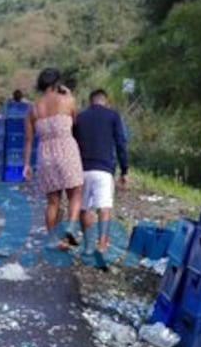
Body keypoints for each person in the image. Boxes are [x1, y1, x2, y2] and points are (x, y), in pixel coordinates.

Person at [23, 68, 83, 249]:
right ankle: (70, 230)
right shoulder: (68, 101)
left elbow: (28, 140)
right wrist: (69, 95)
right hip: (66, 149)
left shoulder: (33, 109)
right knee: (75, 193)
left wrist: (26, 164)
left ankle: (53, 240)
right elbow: (76, 122)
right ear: (57, 83)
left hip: (46, 154)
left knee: (53, 201)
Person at [73, 89, 128, 255]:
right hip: (104, 170)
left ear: (91, 101)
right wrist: (124, 170)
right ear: (106, 100)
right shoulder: (113, 116)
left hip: (82, 169)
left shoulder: (80, 117)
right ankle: (102, 245)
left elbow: (73, 143)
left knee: (84, 209)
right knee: (104, 208)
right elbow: (120, 144)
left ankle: (89, 245)